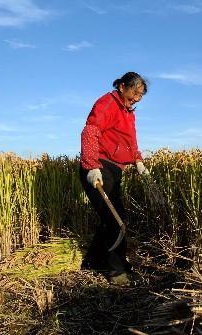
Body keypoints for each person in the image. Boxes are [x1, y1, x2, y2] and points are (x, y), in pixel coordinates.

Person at [79, 71, 150, 285]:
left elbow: (131, 141)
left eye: (140, 95)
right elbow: (90, 131)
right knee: (115, 221)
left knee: (113, 218)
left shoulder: (128, 112)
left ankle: (93, 261)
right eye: (135, 92)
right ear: (122, 87)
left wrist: (138, 161)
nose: (137, 98)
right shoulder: (107, 104)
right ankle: (116, 270)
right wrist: (92, 166)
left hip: (114, 169)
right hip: (100, 168)